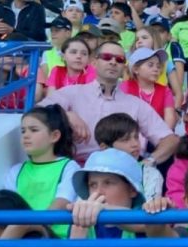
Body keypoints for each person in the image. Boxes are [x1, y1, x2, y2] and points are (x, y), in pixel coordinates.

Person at [39, 42, 180, 164]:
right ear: (94, 62)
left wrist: (148, 162)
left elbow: (170, 139)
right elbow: (36, 114)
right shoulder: (71, 93)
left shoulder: (135, 104)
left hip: (122, 172)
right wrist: (66, 115)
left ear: (123, 68)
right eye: (107, 57)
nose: (113, 62)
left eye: (119, 60)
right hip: (74, 168)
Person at [5, 105, 80, 239]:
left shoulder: (69, 167)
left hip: (55, 240)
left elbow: (62, 203)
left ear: (54, 136)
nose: (26, 135)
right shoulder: (16, 171)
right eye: (23, 131)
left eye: (34, 130)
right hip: (21, 239)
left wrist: (30, 227)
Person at [95, 113, 165, 202]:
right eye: (125, 140)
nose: (135, 144)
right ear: (105, 147)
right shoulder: (92, 173)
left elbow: (151, 210)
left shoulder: (149, 173)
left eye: (136, 137)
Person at [122, 48, 178, 133]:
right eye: (150, 65)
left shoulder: (165, 91)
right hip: (129, 135)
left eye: (158, 66)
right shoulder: (125, 87)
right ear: (136, 69)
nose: (156, 69)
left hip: (158, 136)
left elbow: (169, 120)